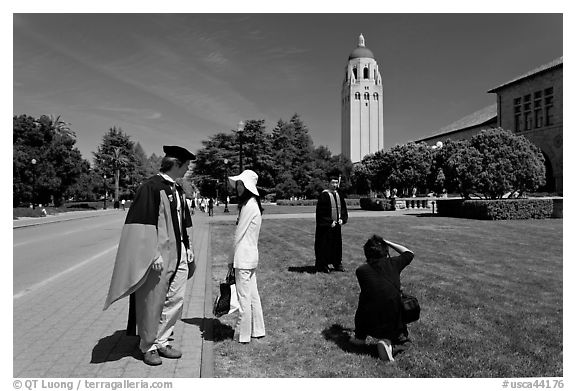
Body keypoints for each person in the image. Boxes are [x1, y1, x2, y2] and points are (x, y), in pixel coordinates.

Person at [103, 145, 196, 366]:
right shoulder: (150, 188)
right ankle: (148, 346)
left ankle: (163, 339)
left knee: (175, 298)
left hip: (180, 253)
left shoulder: (177, 189)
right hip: (159, 256)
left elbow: (183, 223)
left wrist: (188, 246)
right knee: (152, 300)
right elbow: (141, 225)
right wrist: (153, 254)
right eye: (186, 165)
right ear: (176, 164)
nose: (187, 170)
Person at [349, 235, 414, 362]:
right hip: (392, 323)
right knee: (406, 342)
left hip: (368, 323)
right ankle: (390, 345)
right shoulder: (394, 263)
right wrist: (388, 242)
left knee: (365, 299)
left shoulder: (361, 271)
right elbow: (409, 253)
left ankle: (360, 338)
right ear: (385, 251)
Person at [227, 169, 265, 344]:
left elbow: (238, 234)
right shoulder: (253, 204)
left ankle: (242, 335)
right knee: (252, 296)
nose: (238, 187)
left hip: (243, 258)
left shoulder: (249, 205)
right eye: (238, 184)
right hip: (250, 257)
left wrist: (230, 260)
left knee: (244, 299)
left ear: (248, 186)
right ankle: (257, 330)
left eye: (241, 184)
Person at [314, 176, 348, 273]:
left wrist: (342, 219)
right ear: (329, 183)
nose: (334, 185)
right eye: (333, 183)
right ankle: (323, 265)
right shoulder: (324, 195)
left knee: (337, 245)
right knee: (325, 245)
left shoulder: (339, 194)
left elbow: (343, 209)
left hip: (337, 225)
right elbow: (320, 212)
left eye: (336, 183)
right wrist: (329, 222)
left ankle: (337, 263)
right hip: (326, 227)